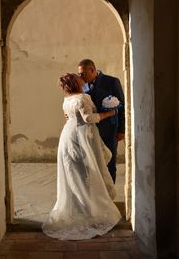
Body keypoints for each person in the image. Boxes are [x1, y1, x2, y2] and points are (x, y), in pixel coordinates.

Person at [42, 73, 121, 240]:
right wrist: (109, 113)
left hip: (68, 135)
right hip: (81, 136)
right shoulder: (83, 97)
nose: (81, 79)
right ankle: (91, 208)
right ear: (75, 83)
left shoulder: (66, 100)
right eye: (78, 79)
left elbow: (69, 116)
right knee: (88, 171)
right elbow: (88, 118)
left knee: (74, 172)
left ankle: (79, 205)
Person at [78, 59, 125, 183]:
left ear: (92, 70)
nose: (80, 77)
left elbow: (122, 106)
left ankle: (110, 198)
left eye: (83, 74)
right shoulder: (82, 85)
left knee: (110, 163)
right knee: (93, 163)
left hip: (109, 130)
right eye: (79, 74)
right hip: (90, 130)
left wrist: (121, 130)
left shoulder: (112, 82)